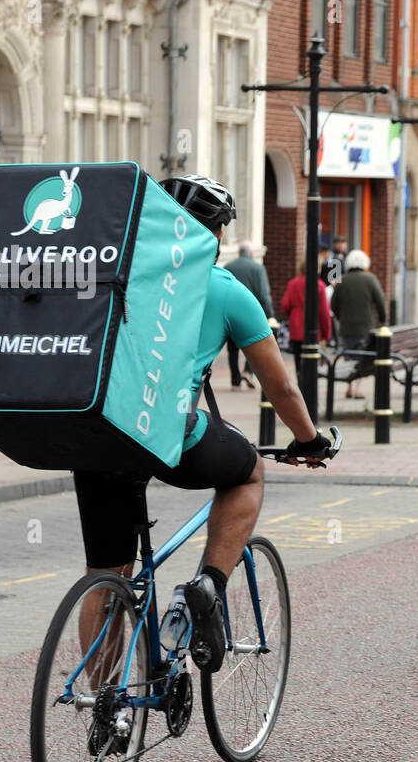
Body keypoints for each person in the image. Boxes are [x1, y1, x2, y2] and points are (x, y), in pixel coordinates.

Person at [71, 175, 332, 675]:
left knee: (106, 575)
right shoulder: (225, 290)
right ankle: (209, 583)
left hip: (99, 434)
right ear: (213, 237)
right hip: (167, 435)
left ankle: (105, 703)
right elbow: (281, 390)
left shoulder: (118, 273)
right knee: (249, 469)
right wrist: (309, 440)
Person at [332, 249, 387, 399]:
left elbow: (333, 305)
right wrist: (383, 319)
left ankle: (349, 387)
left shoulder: (342, 280)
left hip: (346, 326)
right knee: (360, 358)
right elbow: (380, 301)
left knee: (349, 356)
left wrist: (340, 317)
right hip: (365, 326)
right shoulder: (371, 279)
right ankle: (357, 389)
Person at [222, 241, 274, 389]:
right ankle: (248, 371)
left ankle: (235, 380)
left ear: (239, 253)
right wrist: (270, 314)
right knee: (252, 345)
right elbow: (264, 294)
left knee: (232, 349)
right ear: (251, 253)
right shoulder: (258, 269)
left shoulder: (228, 267)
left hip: (230, 314)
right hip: (251, 314)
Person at [281, 257, 332, 375]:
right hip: (313, 327)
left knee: (298, 359)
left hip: (296, 325)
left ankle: (300, 381)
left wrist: (293, 314)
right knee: (312, 359)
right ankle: (309, 385)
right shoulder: (320, 286)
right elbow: (324, 312)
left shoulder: (293, 284)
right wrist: (326, 333)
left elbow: (285, 304)